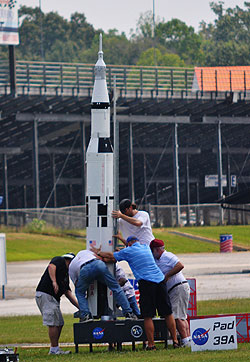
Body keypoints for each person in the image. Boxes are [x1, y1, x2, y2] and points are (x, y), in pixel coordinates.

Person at [91, 236, 180, 350]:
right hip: (160, 280)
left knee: (148, 315)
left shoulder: (128, 251)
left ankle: (151, 345)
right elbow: (123, 252)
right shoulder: (145, 247)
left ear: (129, 244)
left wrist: (98, 252)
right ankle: (175, 341)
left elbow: (111, 256)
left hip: (147, 283)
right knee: (168, 313)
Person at [68, 249, 137, 322]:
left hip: (85, 269)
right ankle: (128, 313)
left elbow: (77, 284)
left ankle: (86, 315)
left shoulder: (71, 267)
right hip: (98, 264)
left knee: (79, 292)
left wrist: (86, 284)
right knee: (115, 287)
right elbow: (101, 256)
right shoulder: (86, 252)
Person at [36, 252, 79, 355]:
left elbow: (68, 293)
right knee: (53, 323)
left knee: (59, 322)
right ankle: (54, 350)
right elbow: (51, 267)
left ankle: (55, 348)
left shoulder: (65, 276)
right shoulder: (60, 260)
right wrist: (54, 281)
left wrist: (81, 307)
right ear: (70, 261)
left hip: (52, 298)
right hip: (46, 295)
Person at [150, 239, 191, 347]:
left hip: (177, 288)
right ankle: (187, 340)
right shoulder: (158, 259)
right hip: (178, 288)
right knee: (182, 316)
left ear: (157, 250)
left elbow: (180, 266)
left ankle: (185, 341)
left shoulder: (168, 256)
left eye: (152, 250)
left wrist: (167, 276)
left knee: (176, 317)